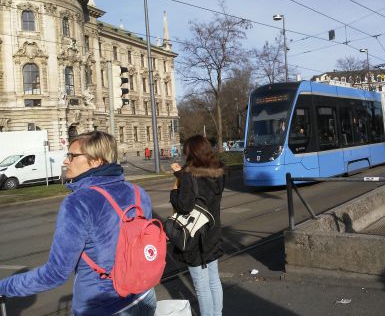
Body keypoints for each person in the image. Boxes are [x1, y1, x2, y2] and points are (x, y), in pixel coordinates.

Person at [0, 131, 157, 315]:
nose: (66, 161)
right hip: (144, 296)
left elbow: (55, 274)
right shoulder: (138, 192)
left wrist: (4, 286)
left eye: (72, 156)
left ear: (96, 161)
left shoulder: (79, 202)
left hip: (103, 306)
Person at [170, 135, 224, 316]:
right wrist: (181, 175)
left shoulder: (188, 175)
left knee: (201, 286)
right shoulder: (218, 172)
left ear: (191, 153)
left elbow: (184, 206)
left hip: (195, 237)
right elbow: (202, 190)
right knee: (214, 280)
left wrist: (174, 189)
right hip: (213, 232)